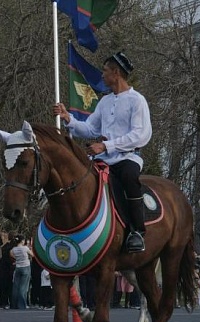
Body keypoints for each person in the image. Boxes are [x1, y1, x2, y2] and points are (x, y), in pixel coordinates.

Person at [53, 52, 151, 253]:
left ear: (116, 73)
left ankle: (137, 232)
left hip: (127, 157)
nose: (102, 76)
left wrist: (107, 146)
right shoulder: (105, 102)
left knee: (129, 177)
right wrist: (68, 118)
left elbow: (140, 135)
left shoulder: (137, 100)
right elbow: (90, 129)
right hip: (102, 159)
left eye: (105, 71)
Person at [10, 235, 32, 310]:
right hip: (26, 266)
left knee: (16, 286)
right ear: (22, 241)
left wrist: (17, 259)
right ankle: (22, 304)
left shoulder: (14, 249)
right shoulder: (25, 248)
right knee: (23, 287)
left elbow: (12, 255)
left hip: (18, 267)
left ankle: (14, 304)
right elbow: (33, 255)